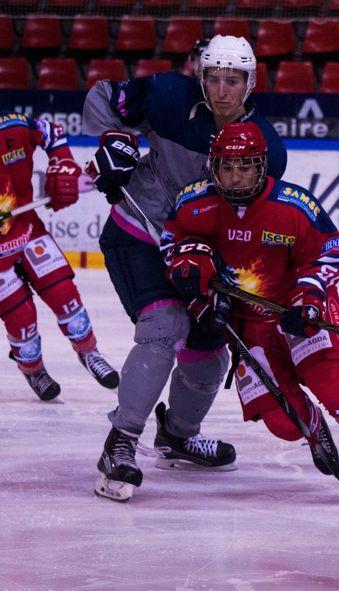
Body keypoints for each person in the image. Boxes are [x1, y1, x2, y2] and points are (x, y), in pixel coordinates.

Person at [82, 35, 287, 502]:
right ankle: (121, 442)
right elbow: (101, 97)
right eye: (213, 77)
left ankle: (176, 434)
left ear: (249, 83)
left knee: (209, 350)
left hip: (200, 255)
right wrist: (114, 137)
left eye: (232, 80)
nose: (221, 90)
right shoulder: (167, 95)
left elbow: (252, 224)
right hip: (140, 234)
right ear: (201, 76)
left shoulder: (268, 149)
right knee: (164, 325)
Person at [162, 122, 339, 477]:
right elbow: (172, 248)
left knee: (334, 385)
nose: (234, 178)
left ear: (261, 166)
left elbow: (329, 252)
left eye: (244, 167)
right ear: (213, 166)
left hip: (299, 309)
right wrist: (197, 285)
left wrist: (307, 298)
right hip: (249, 326)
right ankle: (312, 425)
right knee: (284, 423)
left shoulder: (294, 205)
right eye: (226, 168)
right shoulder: (193, 204)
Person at [0, 112, 118, 400]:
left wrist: (62, 163)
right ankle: (33, 369)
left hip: (26, 229)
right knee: (20, 315)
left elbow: (51, 133)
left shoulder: (13, 128)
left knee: (64, 292)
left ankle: (89, 352)